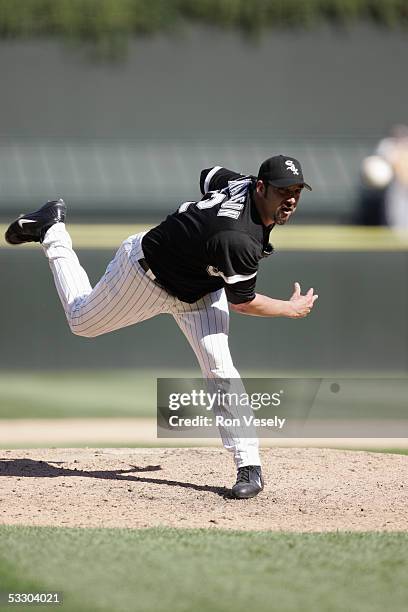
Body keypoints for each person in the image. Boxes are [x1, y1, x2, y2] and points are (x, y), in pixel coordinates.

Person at [5, 154, 318, 499]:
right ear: (261, 187)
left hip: (200, 288)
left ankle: (250, 466)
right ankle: (52, 230)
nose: (290, 198)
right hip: (145, 274)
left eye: (297, 191)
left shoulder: (242, 188)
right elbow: (243, 302)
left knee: (220, 366)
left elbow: (209, 174)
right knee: (81, 321)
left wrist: (209, 214)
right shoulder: (237, 238)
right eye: (282, 190)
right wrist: (289, 308)